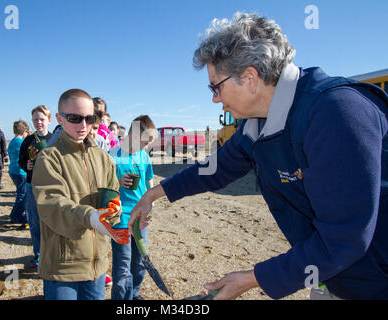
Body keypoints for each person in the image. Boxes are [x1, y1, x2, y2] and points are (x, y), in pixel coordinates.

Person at [128, 12, 388, 300]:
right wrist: (154, 194)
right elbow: (215, 168)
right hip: (334, 278)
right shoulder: (257, 124)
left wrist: (253, 278)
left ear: (250, 78)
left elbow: (344, 239)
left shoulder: (335, 112)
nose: (214, 98)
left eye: (215, 86)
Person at [31, 89, 130, 300]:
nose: (83, 125)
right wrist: (90, 216)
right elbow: (52, 204)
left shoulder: (103, 158)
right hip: (63, 266)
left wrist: (114, 210)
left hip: (97, 265)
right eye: (75, 118)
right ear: (60, 118)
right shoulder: (49, 157)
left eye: (89, 118)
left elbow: (113, 195)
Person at [109, 115, 157, 300]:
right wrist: (117, 182)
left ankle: (134, 293)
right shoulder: (112, 155)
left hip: (140, 217)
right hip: (120, 217)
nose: (146, 146)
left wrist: (151, 205)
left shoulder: (143, 155)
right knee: (122, 266)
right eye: (145, 142)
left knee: (139, 262)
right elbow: (102, 186)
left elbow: (148, 180)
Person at [18, 105, 53, 268]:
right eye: (35, 120)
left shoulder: (55, 140)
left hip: (52, 186)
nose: (39, 122)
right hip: (32, 185)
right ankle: (39, 254)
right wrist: (27, 165)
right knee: (35, 221)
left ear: (49, 120)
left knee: (52, 221)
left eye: (42, 119)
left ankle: (52, 252)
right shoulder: (28, 141)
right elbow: (20, 161)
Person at [7, 120, 29, 225]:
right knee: (22, 195)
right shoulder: (21, 142)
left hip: (12, 170)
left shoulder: (12, 141)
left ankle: (14, 214)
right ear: (24, 130)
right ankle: (17, 216)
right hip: (20, 171)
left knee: (20, 193)